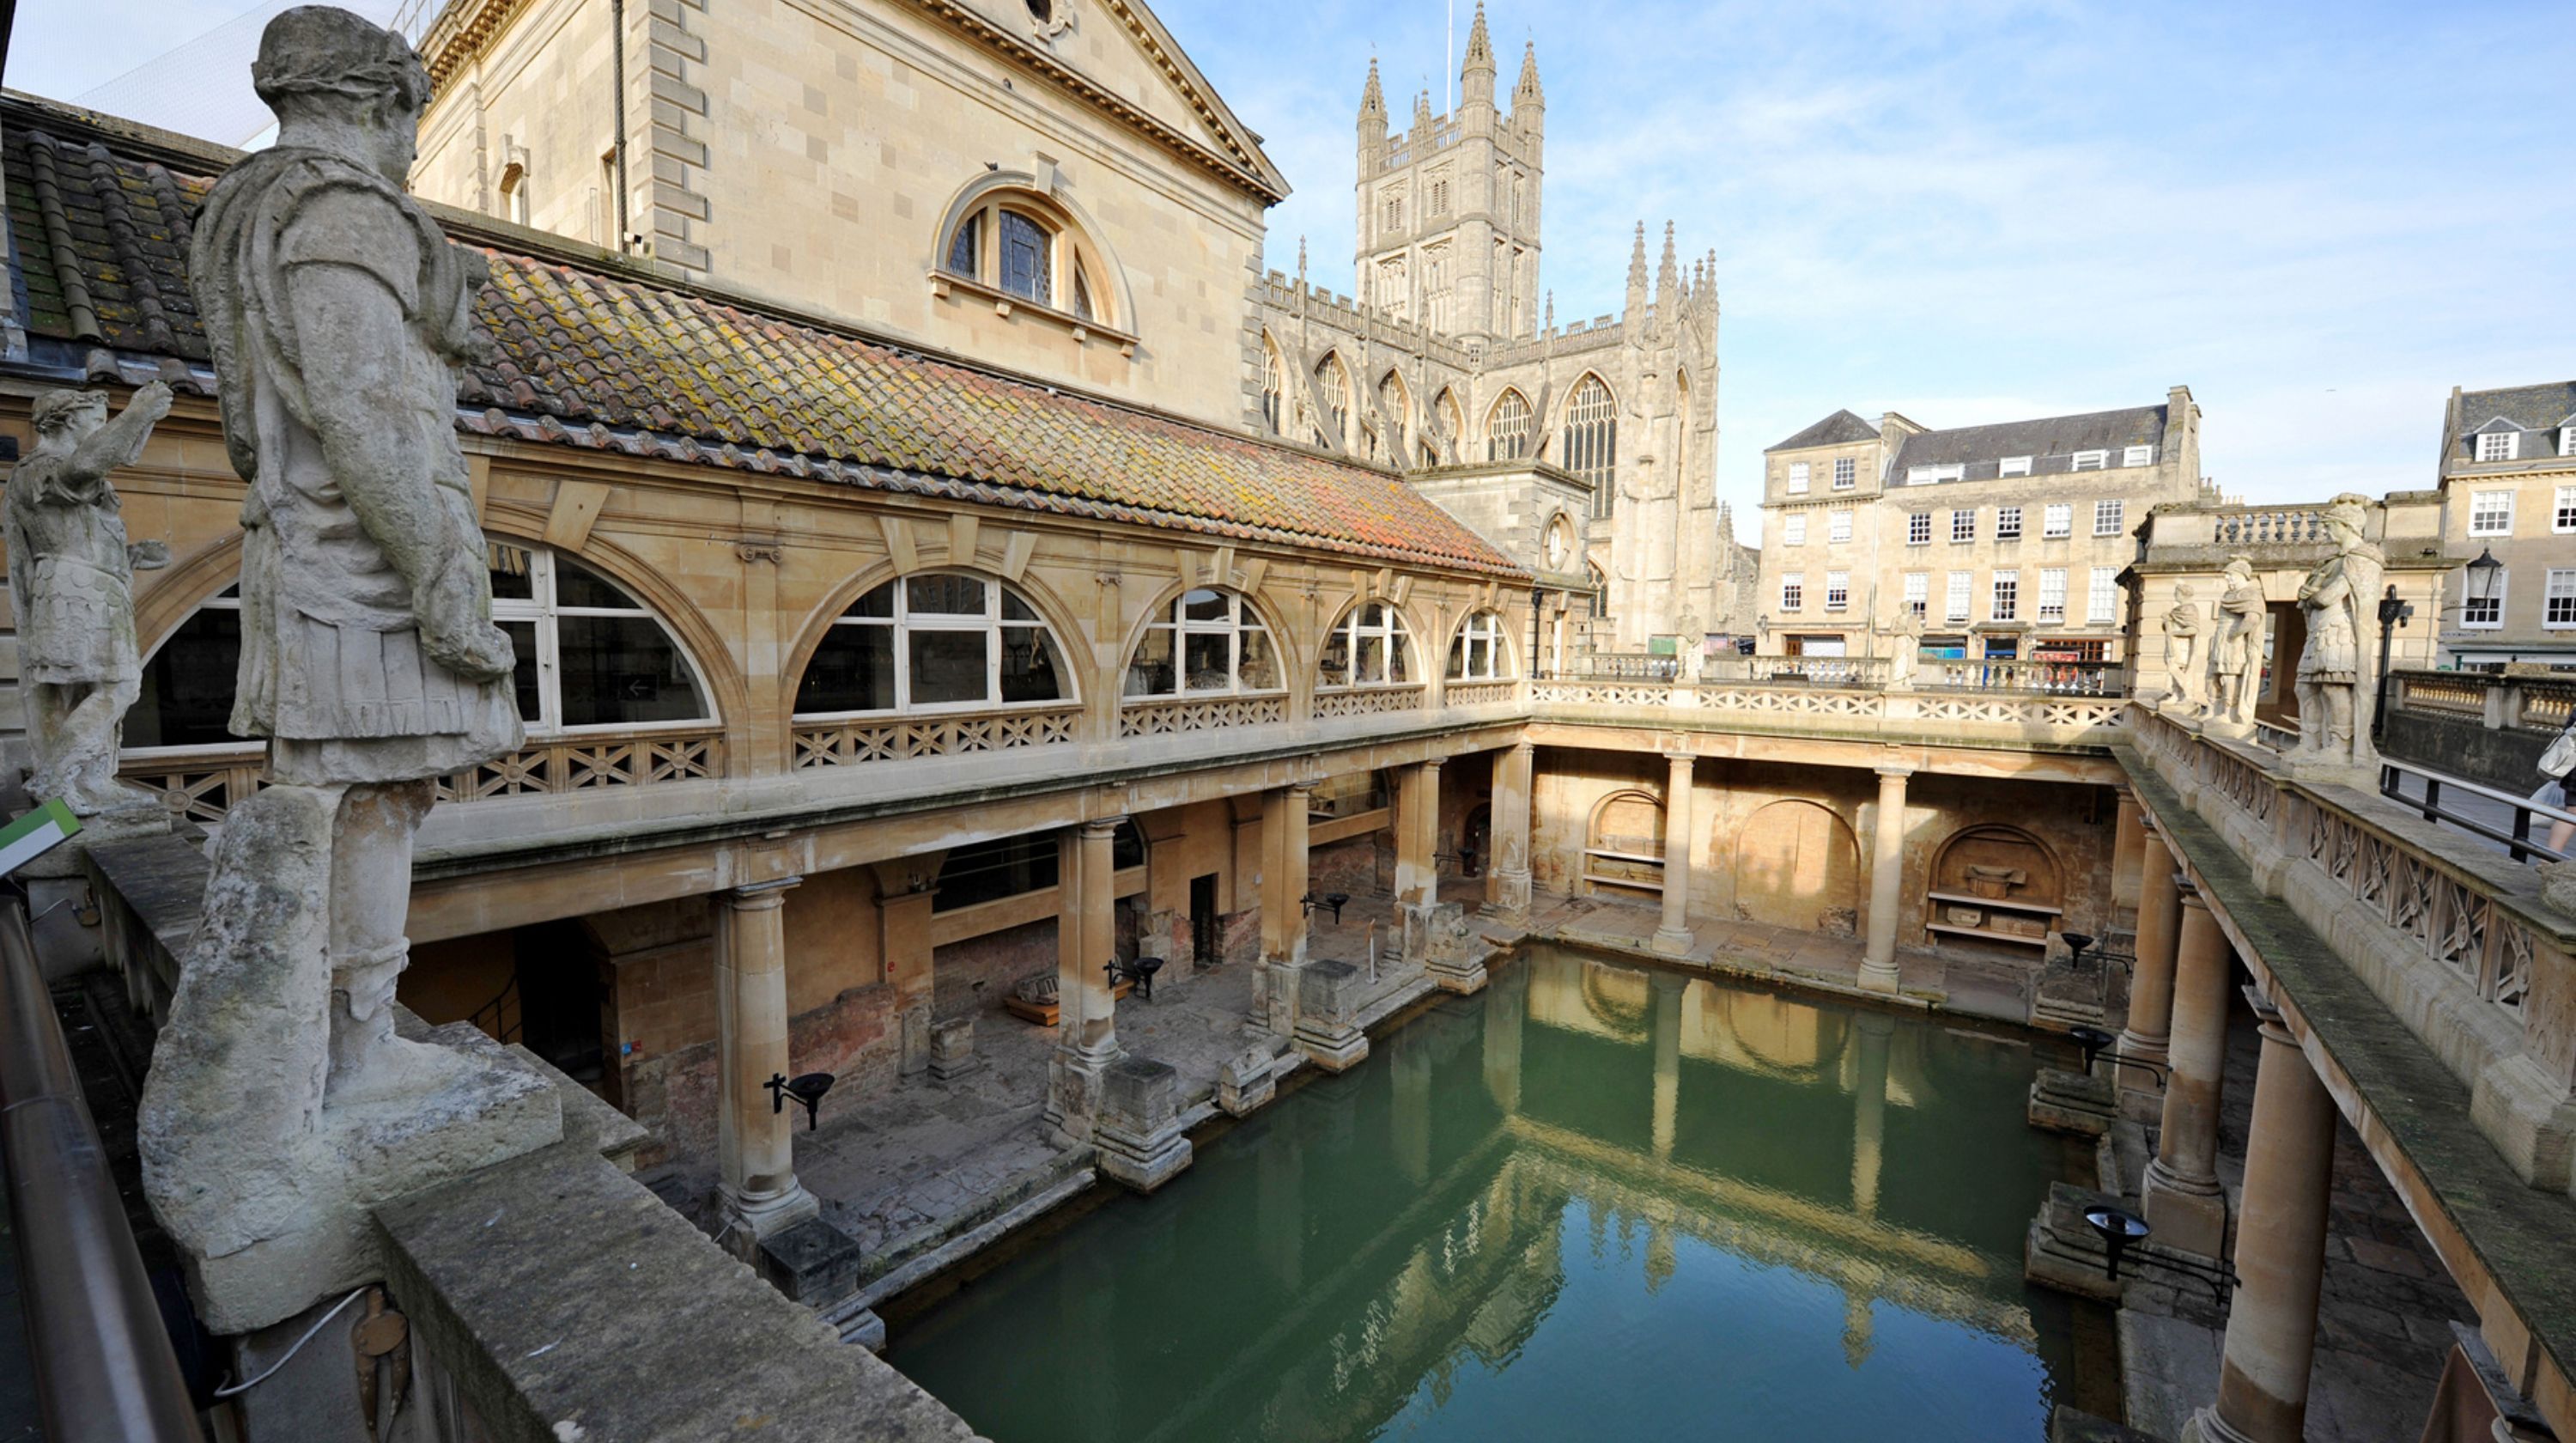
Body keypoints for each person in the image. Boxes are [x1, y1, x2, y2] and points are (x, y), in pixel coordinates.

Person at [4, 384, 173, 813]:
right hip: (74, 591)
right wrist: (137, 413)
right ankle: (56, 777)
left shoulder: (68, 472)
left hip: (93, 587)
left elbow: (80, 534)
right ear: (67, 419)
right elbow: (83, 468)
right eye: (96, 421)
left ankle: (94, 780)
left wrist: (132, 555)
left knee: (90, 691)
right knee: (120, 686)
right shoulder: (39, 469)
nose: (102, 430)